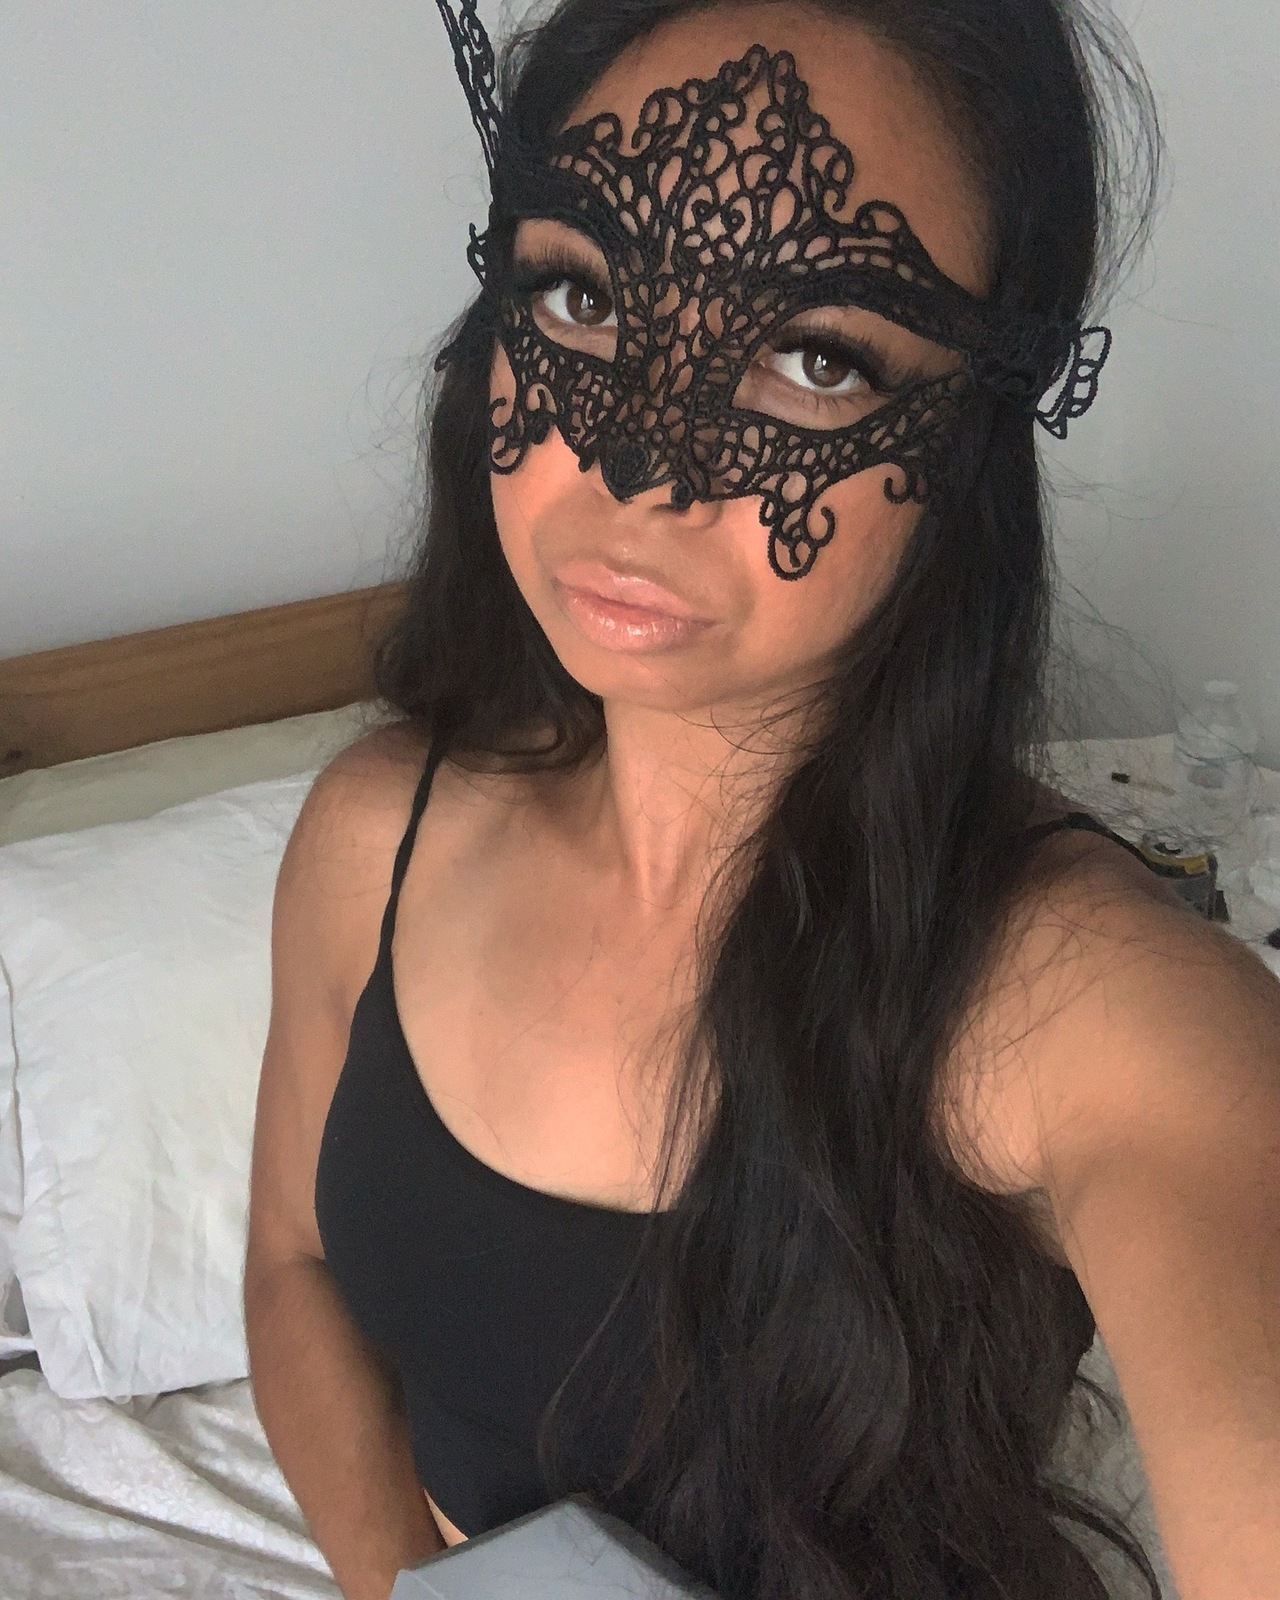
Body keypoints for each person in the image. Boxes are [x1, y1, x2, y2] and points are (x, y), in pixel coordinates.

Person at [243, 2, 1280, 1597]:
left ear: (976, 432)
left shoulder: (1099, 1010)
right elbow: (296, 1264)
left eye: (814, 359)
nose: (640, 476)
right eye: (584, 295)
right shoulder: (376, 835)